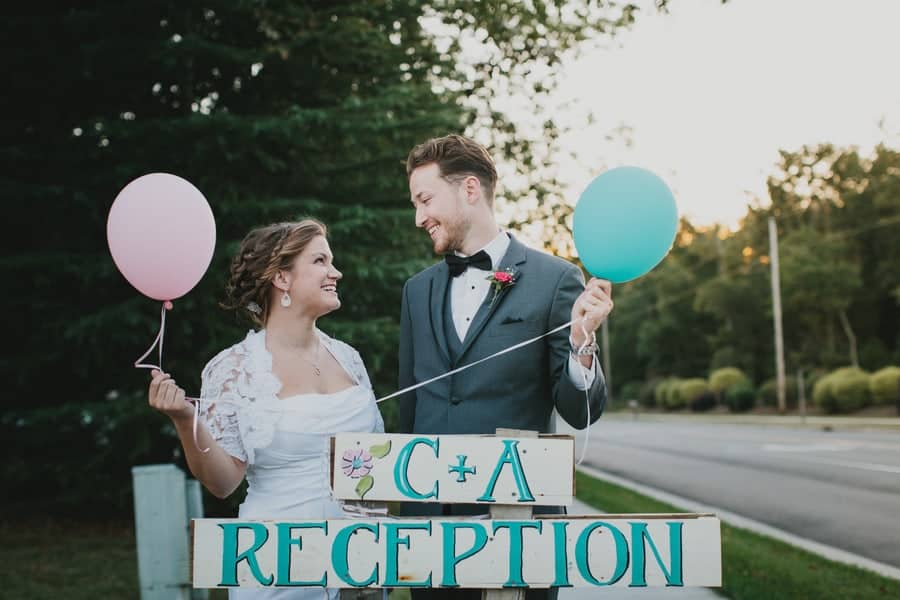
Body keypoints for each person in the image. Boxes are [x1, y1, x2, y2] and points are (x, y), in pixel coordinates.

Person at [398, 135, 613, 599]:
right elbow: (410, 411)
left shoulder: (555, 279)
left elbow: (581, 411)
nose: (419, 218)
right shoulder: (416, 291)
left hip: (522, 527)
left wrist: (581, 343)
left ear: (469, 189)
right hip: (429, 531)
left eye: (425, 200)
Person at [148, 219, 384, 600]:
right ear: (281, 278)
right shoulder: (234, 369)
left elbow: (380, 465)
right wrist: (185, 420)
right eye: (320, 261)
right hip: (276, 565)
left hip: (360, 566)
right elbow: (223, 483)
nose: (335, 272)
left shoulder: (349, 359)